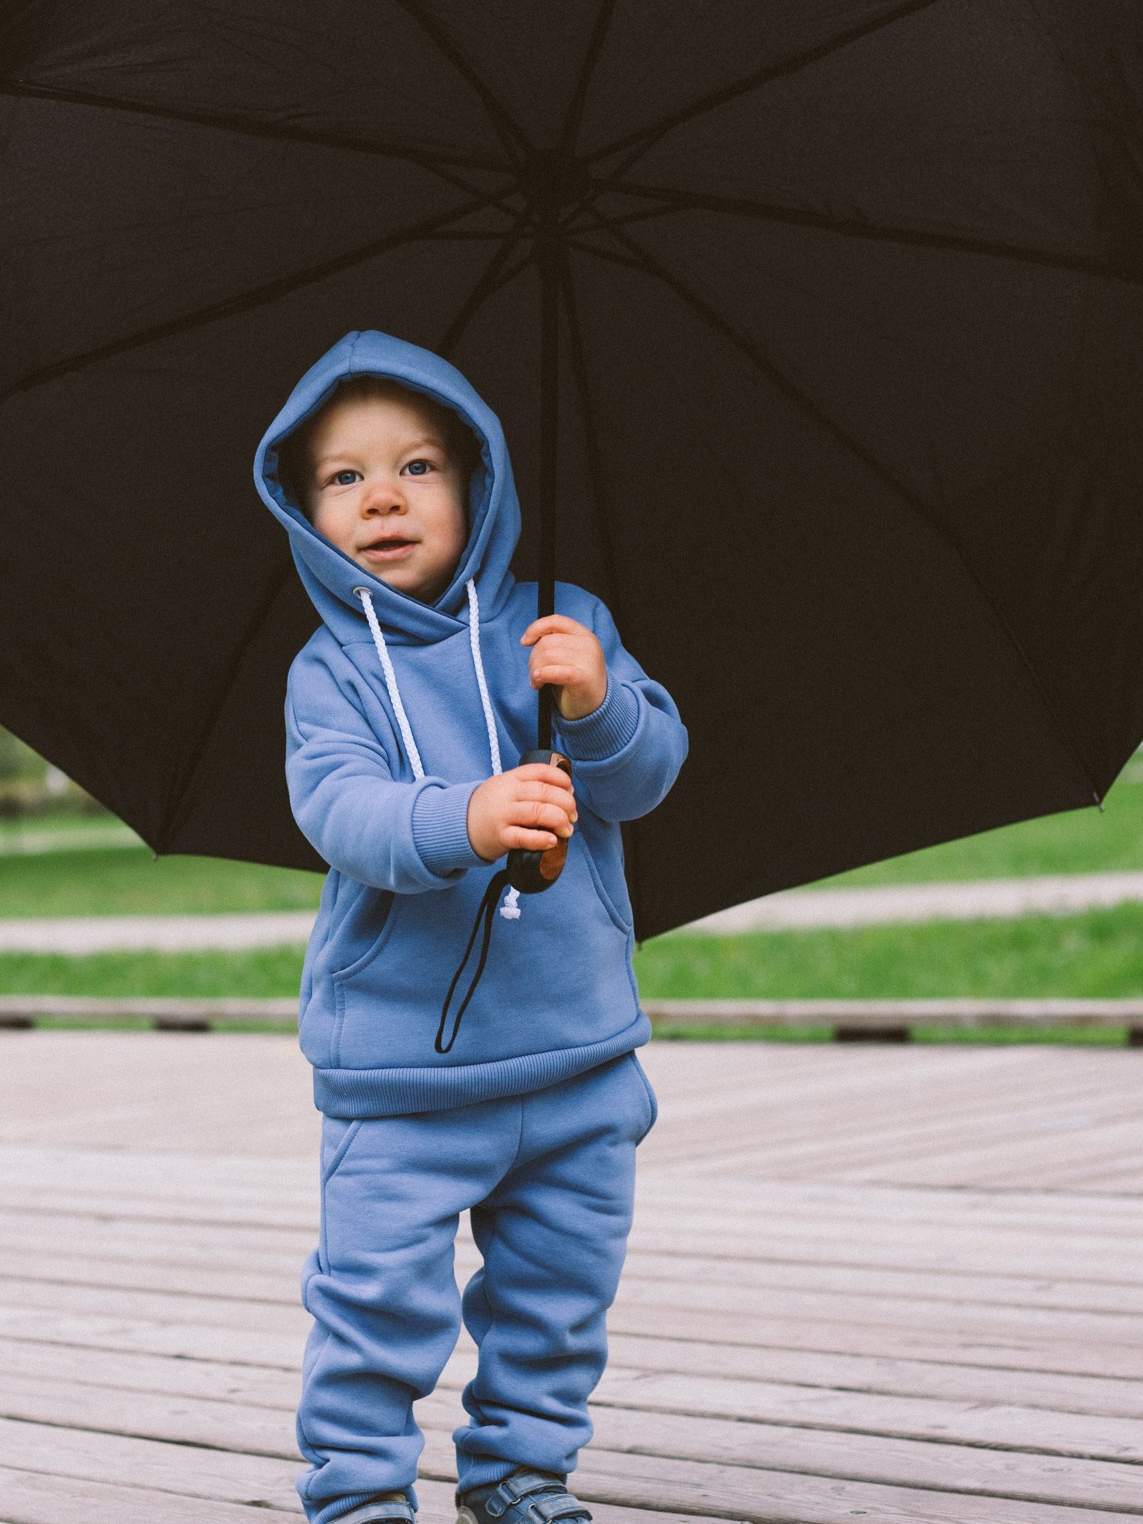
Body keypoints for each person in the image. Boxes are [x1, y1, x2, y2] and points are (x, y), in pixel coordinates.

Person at [253, 330, 687, 1524]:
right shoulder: (330, 672)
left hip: (576, 1051)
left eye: (419, 466)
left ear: (479, 482)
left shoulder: (562, 623)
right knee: (376, 1299)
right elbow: (344, 812)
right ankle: (358, 1493)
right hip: (403, 1072)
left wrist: (597, 705)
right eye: (344, 476)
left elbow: (647, 774)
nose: (382, 496)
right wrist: (471, 814)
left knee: (559, 1295)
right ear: (304, 510)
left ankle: (519, 1471)